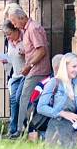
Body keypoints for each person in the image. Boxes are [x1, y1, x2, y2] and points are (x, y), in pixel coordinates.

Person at [8, 7, 50, 136]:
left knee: (25, 98)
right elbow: (34, 49)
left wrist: (30, 65)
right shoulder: (27, 30)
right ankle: (26, 128)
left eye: (14, 22)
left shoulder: (33, 28)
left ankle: (22, 130)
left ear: (22, 18)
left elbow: (42, 50)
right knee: (20, 96)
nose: (14, 25)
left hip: (37, 70)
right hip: (32, 70)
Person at [36, 53, 77, 149]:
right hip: (56, 129)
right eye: (74, 66)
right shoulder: (54, 82)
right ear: (65, 66)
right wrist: (62, 113)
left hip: (72, 132)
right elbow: (41, 107)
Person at [25, 53, 63, 142]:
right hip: (46, 126)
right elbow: (32, 107)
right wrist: (32, 130)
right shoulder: (44, 84)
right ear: (58, 68)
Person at [1, 20, 26, 137]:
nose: (8, 37)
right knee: (13, 101)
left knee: (18, 98)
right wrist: (6, 59)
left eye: (9, 33)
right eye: (6, 35)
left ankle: (21, 128)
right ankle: (13, 129)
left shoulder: (25, 38)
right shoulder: (9, 41)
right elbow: (12, 57)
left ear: (16, 30)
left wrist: (24, 53)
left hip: (25, 74)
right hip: (15, 75)